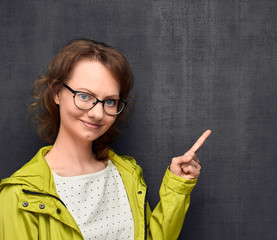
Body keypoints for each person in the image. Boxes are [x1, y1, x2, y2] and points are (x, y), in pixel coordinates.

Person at [0, 38, 211, 240]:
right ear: (57, 93)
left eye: (109, 101)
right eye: (84, 96)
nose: (98, 113)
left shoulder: (126, 173)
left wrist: (177, 187)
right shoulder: (19, 196)